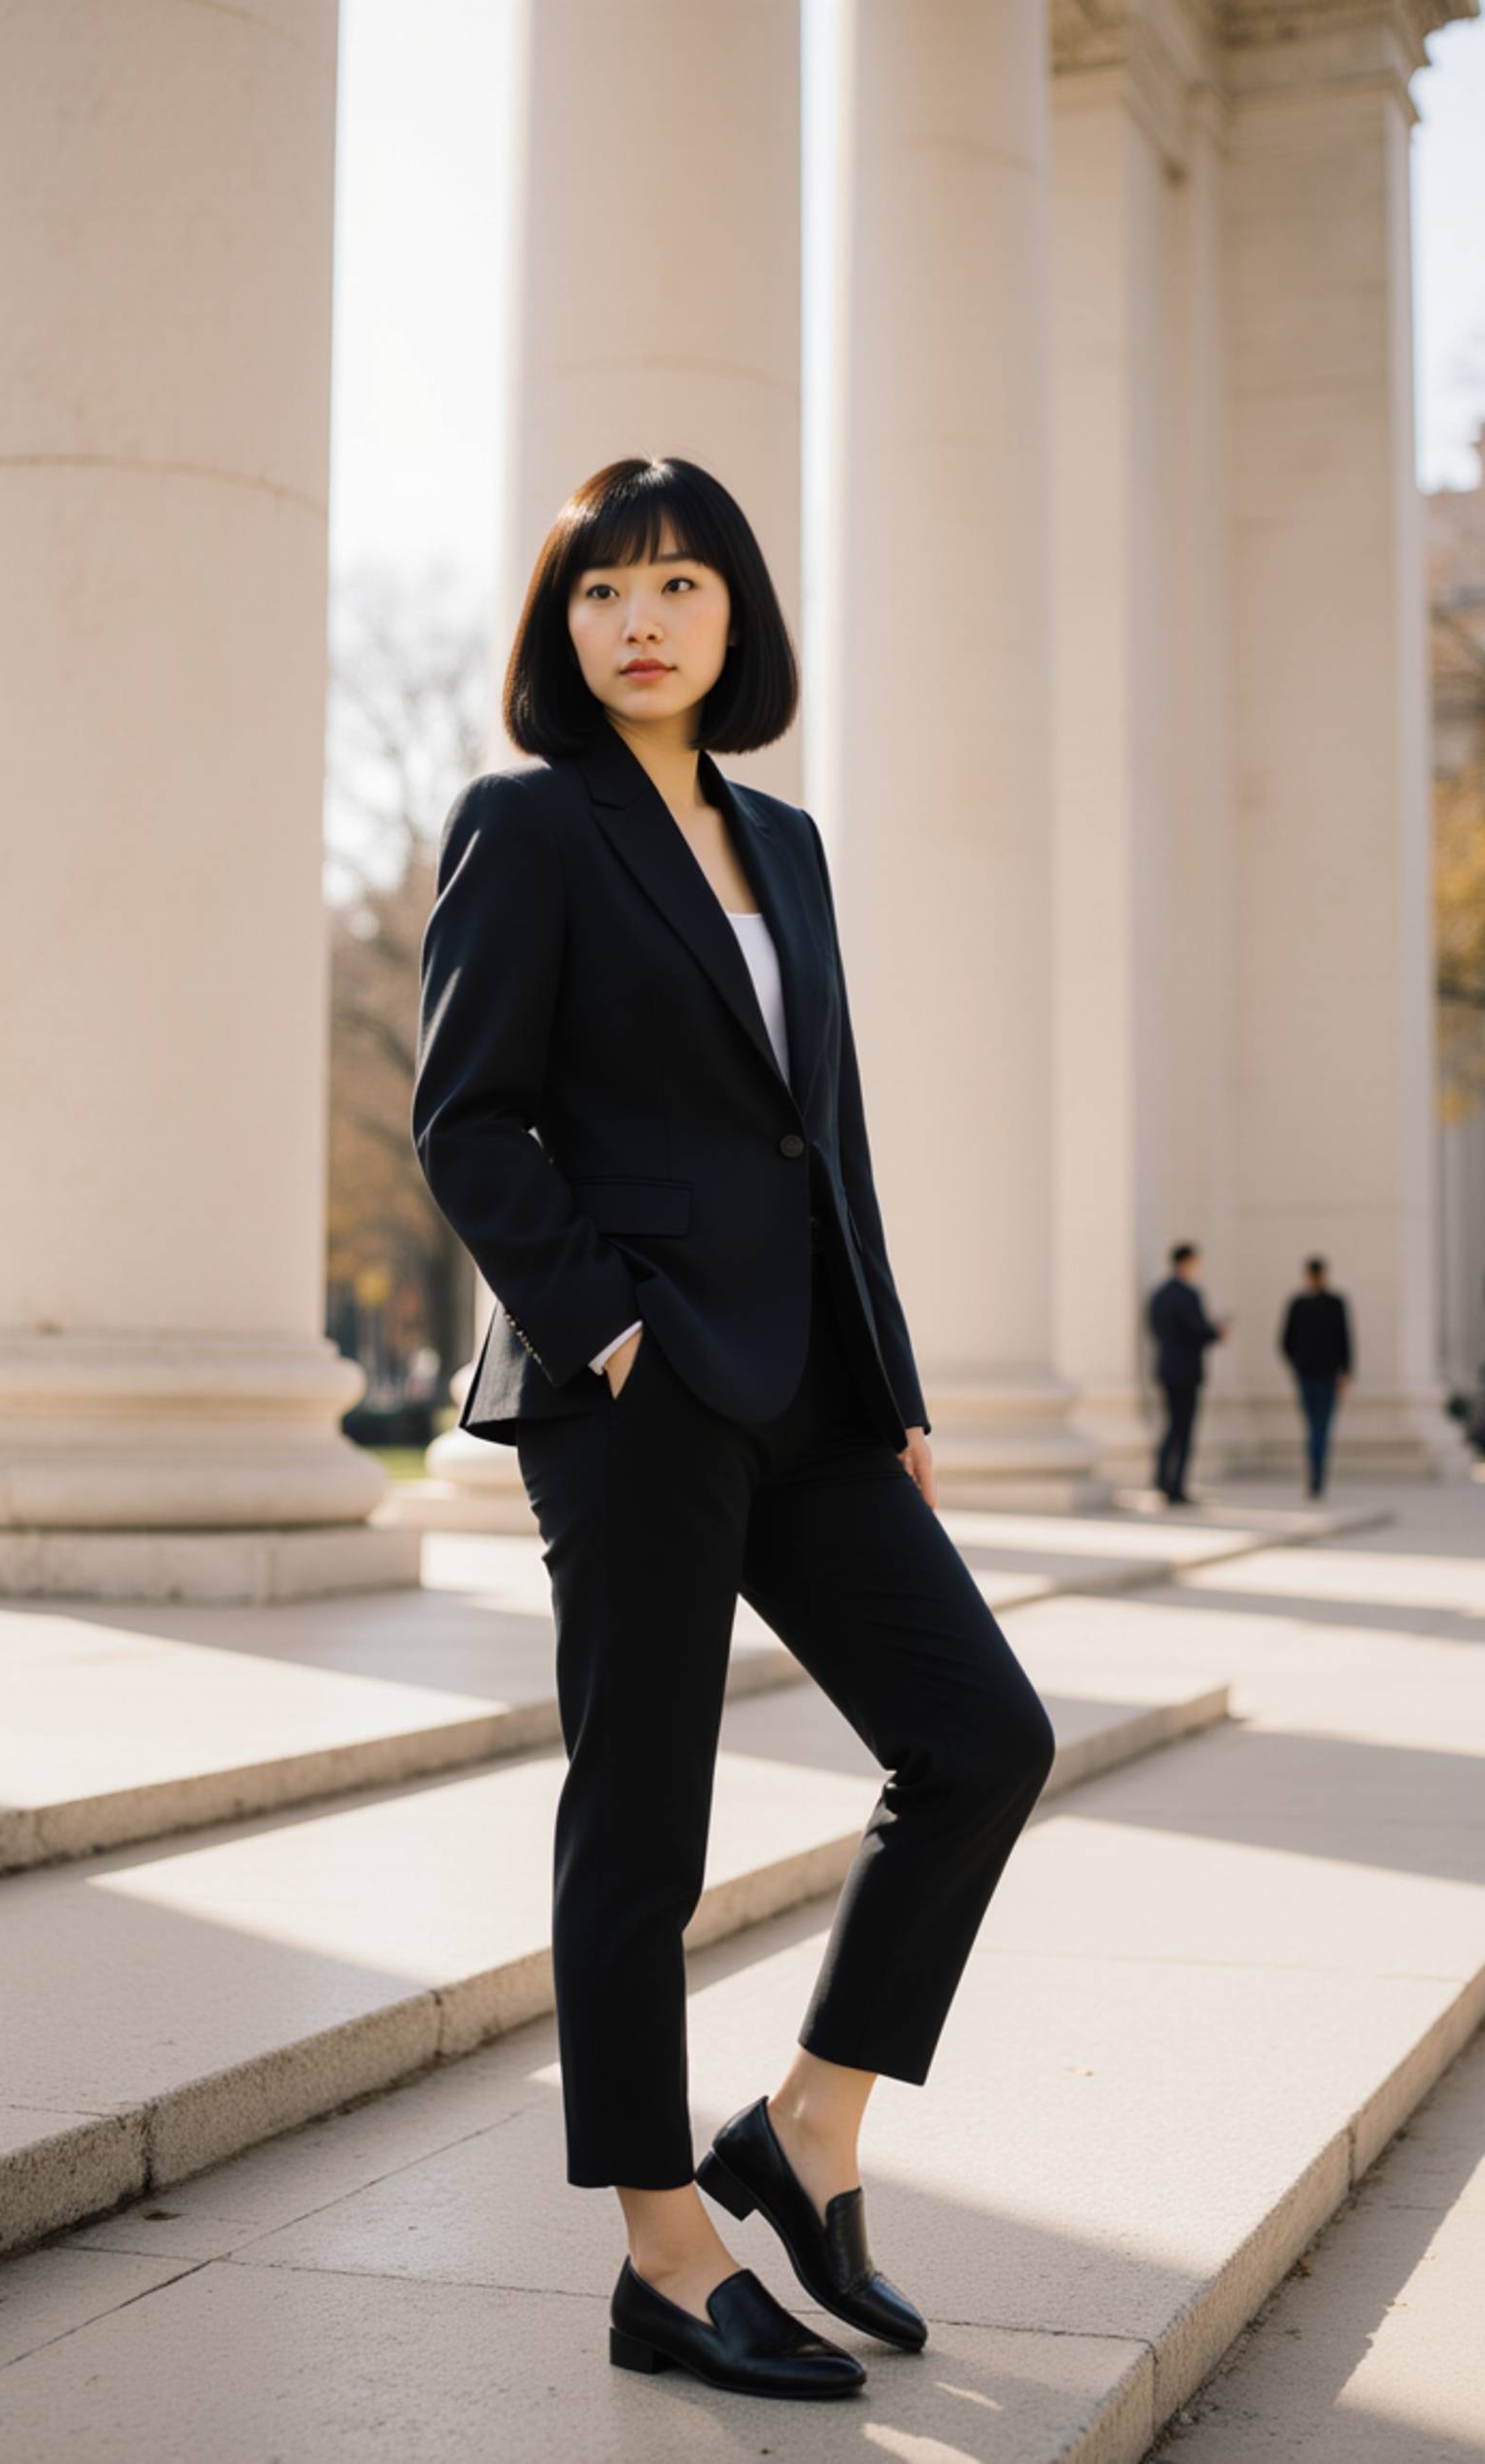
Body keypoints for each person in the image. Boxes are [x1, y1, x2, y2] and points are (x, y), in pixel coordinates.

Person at [411, 456, 1056, 2403]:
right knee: (646, 1820)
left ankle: (806, 2128)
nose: (640, 619)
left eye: (679, 584)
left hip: (811, 1387)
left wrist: (900, 1383)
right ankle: (662, 2247)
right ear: (562, 621)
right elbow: (467, 1121)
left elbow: (825, 1138)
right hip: (638, 1393)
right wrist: (608, 1335)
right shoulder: (523, 829)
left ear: (732, 620)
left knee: (980, 1739)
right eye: (604, 586)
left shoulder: (785, 843)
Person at [1147, 1242, 1226, 1504]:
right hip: (1187, 1371)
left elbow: (1156, 1330)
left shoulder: (1158, 1295)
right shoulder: (1188, 1295)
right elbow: (1197, 1331)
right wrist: (1217, 1333)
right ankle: (1176, 1486)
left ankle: (1161, 1478)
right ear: (1187, 1262)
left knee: (1171, 1426)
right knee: (1184, 1428)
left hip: (1167, 1368)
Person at [1279, 1257, 1354, 1497]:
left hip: (1323, 1375)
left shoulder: (1331, 1303)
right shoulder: (1301, 1304)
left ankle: (1316, 1476)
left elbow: (1345, 1340)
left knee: (1318, 1428)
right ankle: (1316, 1476)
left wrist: (1345, 1372)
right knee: (1317, 1427)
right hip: (1313, 1375)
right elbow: (1286, 1341)